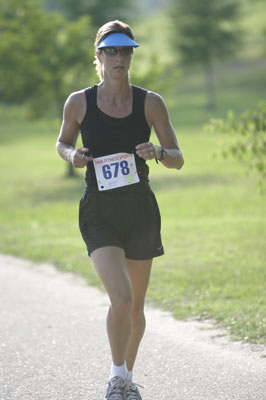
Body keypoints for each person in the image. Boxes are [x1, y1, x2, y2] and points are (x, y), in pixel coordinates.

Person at [56, 20, 184, 400]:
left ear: (131, 56)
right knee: (122, 298)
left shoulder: (151, 102)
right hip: (99, 211)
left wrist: (159, 153)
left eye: (126, 50)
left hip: (139, 209)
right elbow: (62, 143)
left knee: (136, 309)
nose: (119, 58)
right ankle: (116, 379)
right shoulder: (79, 102)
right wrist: (72, 154)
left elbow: (177, 158)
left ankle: (127, 379)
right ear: (98, 56)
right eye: (111, 50)